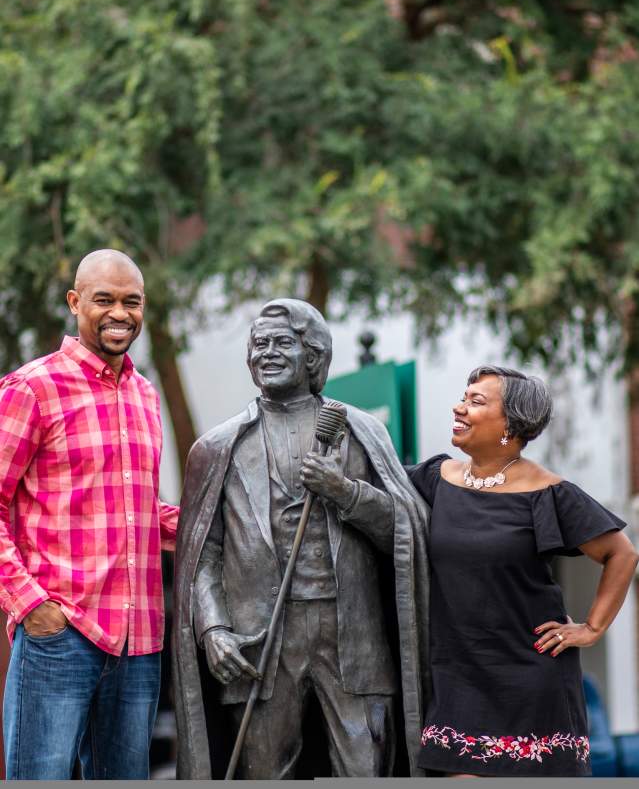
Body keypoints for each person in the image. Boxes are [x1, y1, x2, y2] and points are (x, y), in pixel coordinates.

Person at [172, 299, 431, 779]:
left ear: (312, 356)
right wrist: (213, 630)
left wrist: (346, 492)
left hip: (352, 637)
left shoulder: (361, 432)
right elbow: (202, 557)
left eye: (283, 343)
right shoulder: (216, 448)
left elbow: (406, 529)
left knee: (367, 768)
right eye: (259, 344)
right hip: (261, 641)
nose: (267, 353)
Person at [407, 364, 639, 778]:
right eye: (464, 397)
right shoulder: (434, 478)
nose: (459, 408)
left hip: (532, 682)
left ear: (510, 426)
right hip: (457, 678)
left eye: (476, 402)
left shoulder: (548, 493)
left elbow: (622, 553)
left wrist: (591, 628)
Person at [0, 249, 179, 780]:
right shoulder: (32, 388)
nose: (119, 313)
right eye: (104, 300)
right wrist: (31, 605)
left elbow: (139, 510)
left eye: (132, 302)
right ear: (75, 302)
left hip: (139, 641)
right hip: (61, 634)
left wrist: (227, 520)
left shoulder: (145, 397)